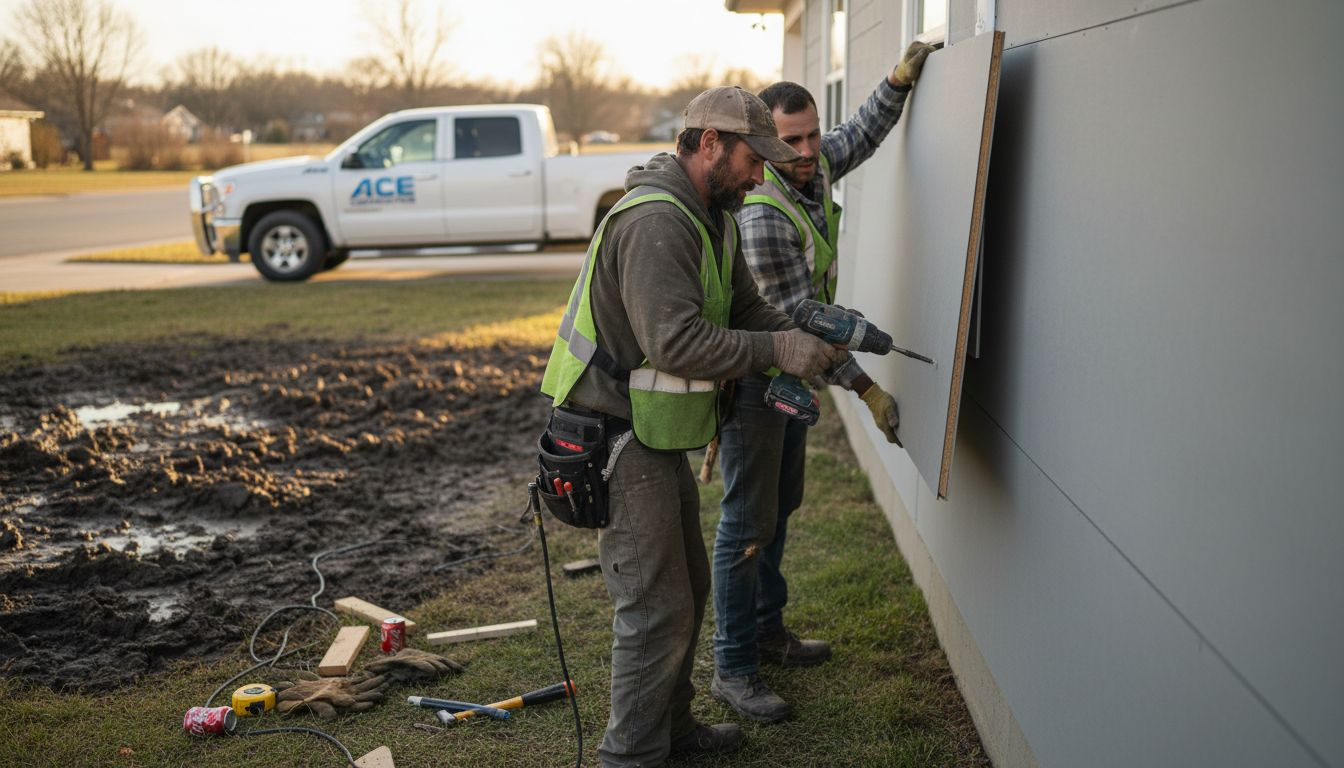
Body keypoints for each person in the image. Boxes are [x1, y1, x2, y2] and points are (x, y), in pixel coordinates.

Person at [539, 86, 843, 767]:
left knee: (689, 590)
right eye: (752, 159)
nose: (763, 174)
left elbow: (744, 306)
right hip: (607, 433)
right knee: (655, 606)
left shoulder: (714, 213)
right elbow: (676, 342)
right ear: (709, 144)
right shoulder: (657, 221)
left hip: (646, 429)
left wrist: (802, 335)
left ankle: (671, 733)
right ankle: (631, 756)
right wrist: (777, 352)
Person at [709, 41, 937, 724]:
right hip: (757, 377)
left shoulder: (815, 162)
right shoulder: (762, 215)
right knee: (745, 523)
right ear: (765, 146)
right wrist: (866, 387)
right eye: (791, 142)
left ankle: (767, 629)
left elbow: (860, 131)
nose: (808, 152)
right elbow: (801, 326)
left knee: (780, 508)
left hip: (793, 376)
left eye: (811, 135)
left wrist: (898, 81)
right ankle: (733, 666)